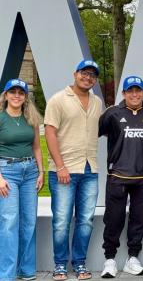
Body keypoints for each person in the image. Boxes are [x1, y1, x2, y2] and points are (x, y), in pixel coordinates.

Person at [44, 60, 103, 280]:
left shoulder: (97, 102)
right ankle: (60, 264)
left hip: (90, 169)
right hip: (64, 170)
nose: (88, 77)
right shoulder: (58, 99)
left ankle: (79, 263)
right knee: (61, 220)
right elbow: (50, 133)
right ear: (75, 73)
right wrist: (60, 166)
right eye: (84, 73)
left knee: (86, 219)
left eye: (92, 75)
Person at [99, 75, 143, 278]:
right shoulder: (112, 113)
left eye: (138, 90)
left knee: (139, 218)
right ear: (124, 93)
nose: (134, 94)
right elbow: (100, 132)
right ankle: (109, 259)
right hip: (117, 174)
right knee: (114, 218)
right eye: (130, 91)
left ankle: (132, 258)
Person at [0, 79, 44, 281]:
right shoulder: (0, 117)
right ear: (6, 95)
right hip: (6, 172)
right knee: (9, 222)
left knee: (29, 222)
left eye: (21, 92)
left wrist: (41, 171)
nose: (17, 95)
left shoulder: (31, 118)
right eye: (13, 92)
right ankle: (6, 274)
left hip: (30, 173)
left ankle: (26, 270)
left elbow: (36, 147)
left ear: (26, 97)